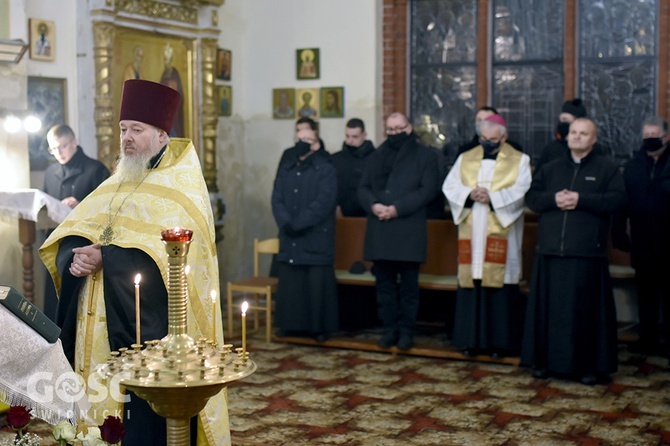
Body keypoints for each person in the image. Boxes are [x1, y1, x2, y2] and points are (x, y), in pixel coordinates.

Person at [39, 79, 230, 445]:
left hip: (145, 331)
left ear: (161, 135)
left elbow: (177, 261)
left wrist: (107, 258)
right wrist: (75, 257)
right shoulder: (120, 177)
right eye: (124, 129)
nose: (126, 138)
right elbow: (76, 229)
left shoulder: (182, 187)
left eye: (137, 130)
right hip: (95, 330)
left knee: (140, 428)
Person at [521, 117, 627, 385]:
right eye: (574, 133)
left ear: (593, 139)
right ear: (566, 137)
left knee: (585, 315)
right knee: (549, 313)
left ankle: (589, 367)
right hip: (551, 252)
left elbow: (617, 200)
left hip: (586, 254)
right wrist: (553, 199)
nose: (577, 137)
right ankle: (544, 362)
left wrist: (581, 199)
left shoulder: (607, 169)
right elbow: (532, 199)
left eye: (583, 133)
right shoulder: (550, 168)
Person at [443, 114, 531, 358]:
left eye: (493, 139)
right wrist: (470, 194)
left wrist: (492, 197)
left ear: (504, 137)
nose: (487, 142)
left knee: (499, 286)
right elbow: (450, 186)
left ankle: (499, 344)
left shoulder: (519, 160)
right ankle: (470, 341)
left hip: (500, 229)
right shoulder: (465, 158)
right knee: (473, 282)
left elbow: (522, 190)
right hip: (472, 230)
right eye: (483, 138)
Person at [358, 112, 440, 350]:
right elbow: (362, 187)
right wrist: (374, 205)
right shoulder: (377, 155)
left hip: (408, 229)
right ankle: (389, 328)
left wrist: (397, 209)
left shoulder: (425, 155)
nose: (395, 133)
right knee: (384, 286)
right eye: (390, 130)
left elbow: (428, 190)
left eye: (399, 128)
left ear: (409, 127)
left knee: (408, 287)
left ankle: (406, 331)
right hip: (380, 228)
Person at [272, 125, 338, 341]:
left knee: (315, 284)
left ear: (316, 143)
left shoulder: (326, 168)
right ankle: (289, 325)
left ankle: (317, 328)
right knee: (292, 283)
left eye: (307, 140)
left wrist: (299, 223)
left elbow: (324, 202)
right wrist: (285, 222)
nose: (302, 144)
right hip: (290, 235)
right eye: (299, 139)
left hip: (315, 235)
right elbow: (277, 197)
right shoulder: (288, 167)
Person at [613, 116, 670, 358]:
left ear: (667, 136)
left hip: (669, 241)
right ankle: (648, 341)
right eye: (646, 136)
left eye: (655, 135)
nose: (650, 140)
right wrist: (618, 233)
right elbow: (622, 203)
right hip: (643, 240)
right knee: (645, 294)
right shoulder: (634, 165)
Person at [42, 124, 110, 319]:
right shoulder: (50, 172)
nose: (58, 152)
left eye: (62, 146)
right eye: (53, 149)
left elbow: (106, 210)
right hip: (55, 242)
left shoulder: (95, 170)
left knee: (74, 310)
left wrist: (81, 205)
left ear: (74, 142)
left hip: (82, 246)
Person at [535, 98, 610, 170]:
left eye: (565, 120)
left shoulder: (596, 150)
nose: (562, 123)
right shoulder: (551, 149)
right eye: (561, 120)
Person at [331, 118, 375, 217]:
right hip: (341, 212)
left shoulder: (375, 158)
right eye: (347, 136)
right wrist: (335, 206)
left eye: (355, 137)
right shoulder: (336, 159)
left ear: (364, 135)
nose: (350, 141)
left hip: (368, 212)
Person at [457, 106, 523, 156]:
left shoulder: (514, 149)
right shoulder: (465, 151)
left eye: (487, 121)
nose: (482, 124)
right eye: (480, 120)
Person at [160, 43, 185, 137]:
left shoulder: (175, 73)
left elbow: (179, 93)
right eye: (164, 59)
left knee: (173, 133)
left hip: (174, 111)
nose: (166, 61)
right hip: (165, 111)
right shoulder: (164, 74)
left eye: (167, 59)